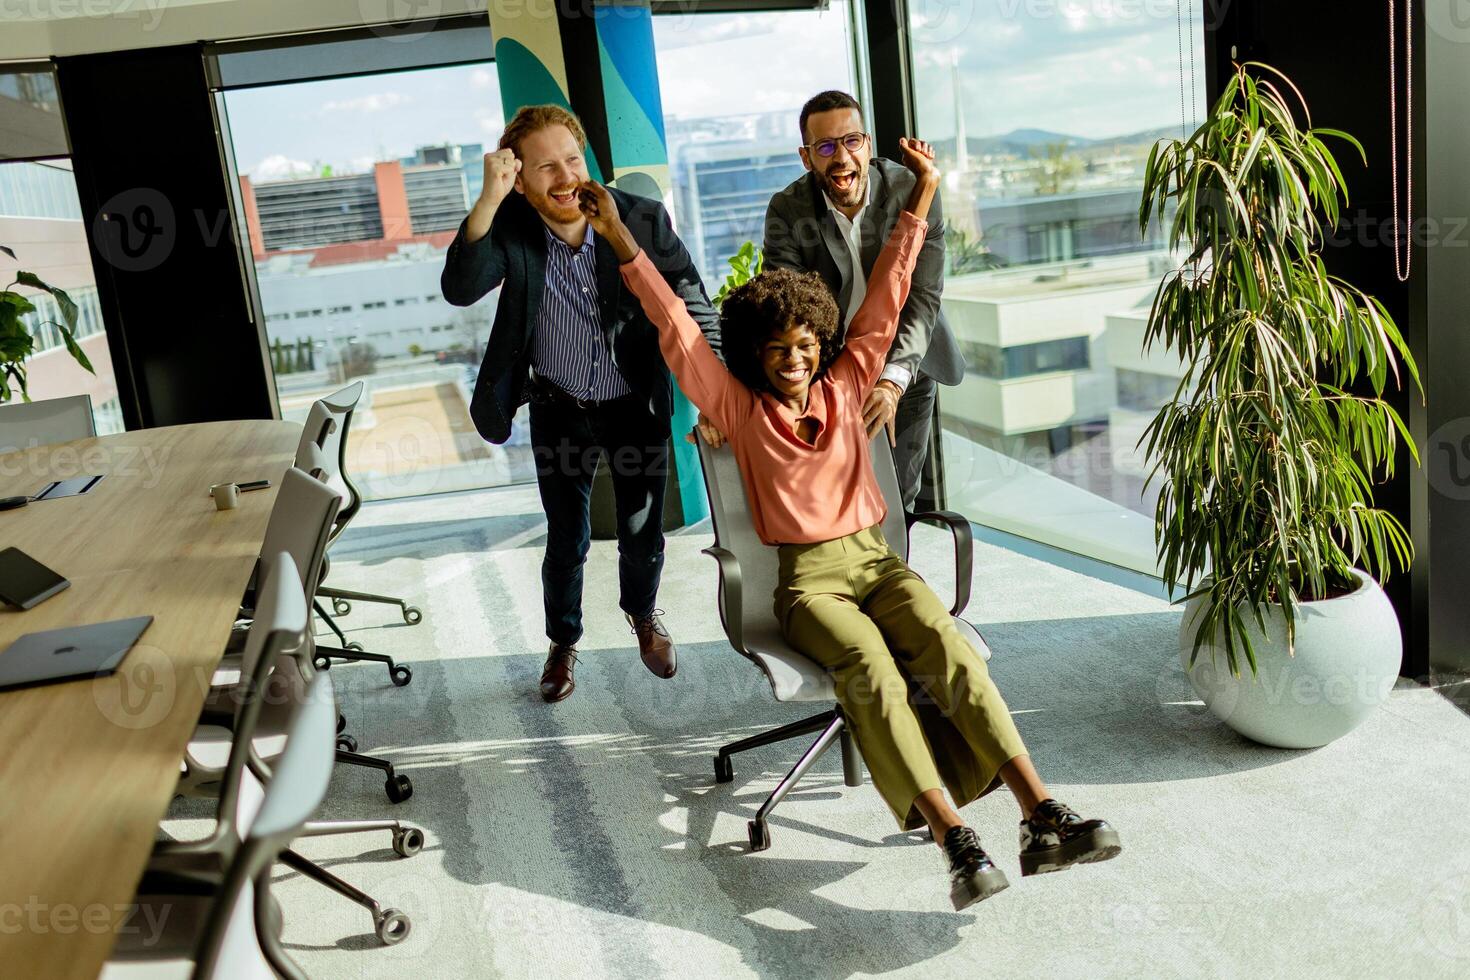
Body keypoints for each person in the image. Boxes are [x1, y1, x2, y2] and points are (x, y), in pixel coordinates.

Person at [576, 137, 1120, 911]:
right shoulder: (736, 407)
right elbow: (673, 324)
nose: (794, 360)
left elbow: (890, 294)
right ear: (758, 356)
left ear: (819, 342)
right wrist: (621, 240)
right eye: (777, 350)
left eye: (804, 345)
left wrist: (924, 195)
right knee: (870, 669)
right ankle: (954, 838)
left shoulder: (848, 381)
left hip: (879, 563)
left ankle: (1040, 813)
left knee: (948, 648)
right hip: (809, 586)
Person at [441, 104, 720, 703]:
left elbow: (692, 297)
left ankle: (643, 616)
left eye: (572, 158)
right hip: (558, 404)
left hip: (633, 401)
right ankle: (563, 642)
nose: (565, 177)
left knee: (643, 529)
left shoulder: (639, 217)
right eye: (545, 167)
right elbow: (461, 289)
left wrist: (717, 394)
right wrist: (488, 198)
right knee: (566, 536)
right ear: (519, 177)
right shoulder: (510, 221)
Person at [747, 89, 964, 510]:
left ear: (867, 144)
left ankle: (893, 572)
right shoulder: (788, 210)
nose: (841, 157)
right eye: (825, 146)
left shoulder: (914, 190)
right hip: (834, 370)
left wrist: (892, 379)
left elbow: (923, 295)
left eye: (851, 141)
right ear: (806, 157)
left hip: (908, 364)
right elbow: (792, 309)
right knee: (839, 496)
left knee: (897, 495)